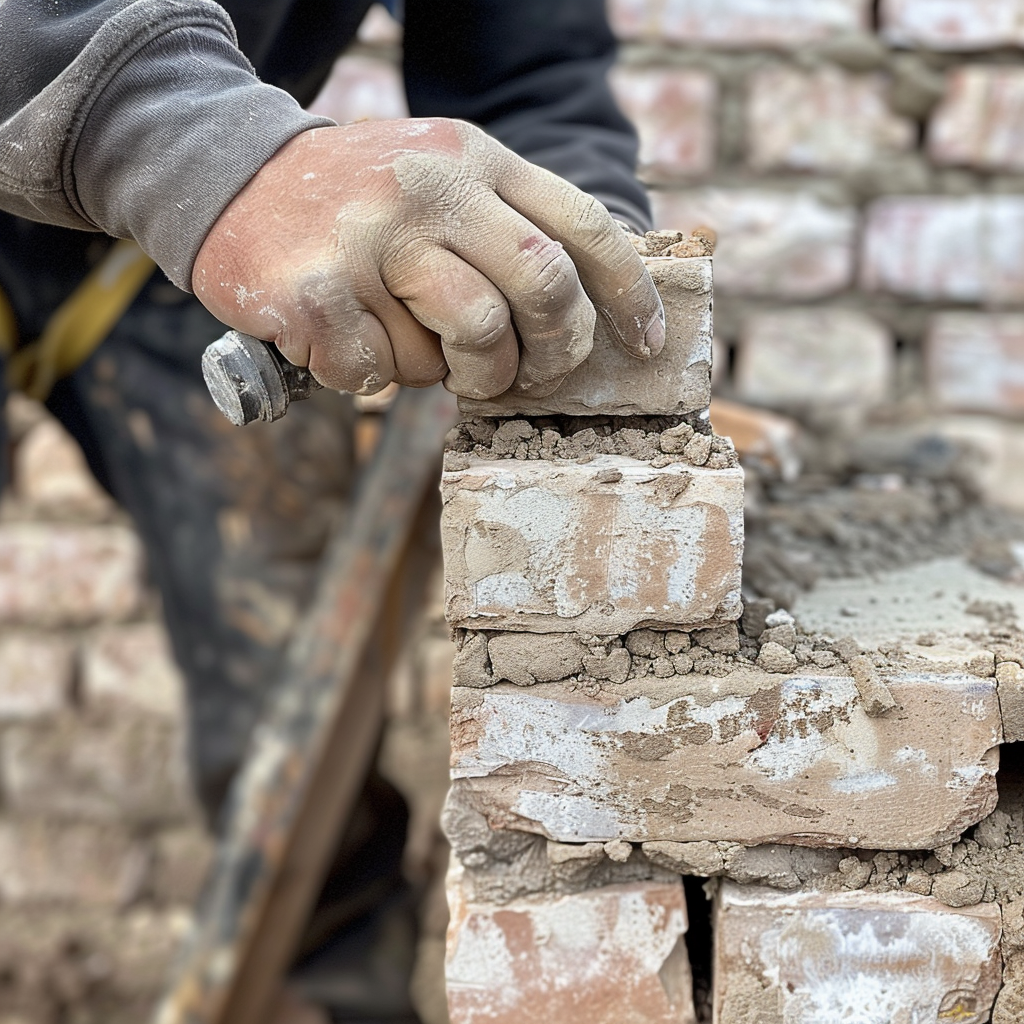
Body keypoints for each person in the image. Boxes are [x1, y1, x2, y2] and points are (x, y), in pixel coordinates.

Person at [0, 2, 661, 1020]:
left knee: (292, 725)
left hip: (148, 258)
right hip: (167, 153)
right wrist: (211, 153)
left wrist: (569, 265)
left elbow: (525, 79)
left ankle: (328, 996)